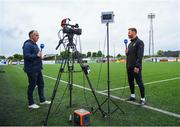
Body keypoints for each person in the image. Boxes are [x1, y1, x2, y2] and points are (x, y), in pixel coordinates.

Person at [23, 30, 50, 109]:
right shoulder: (27, 44)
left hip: (37, 69)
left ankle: (42, 100)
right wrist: (37, 55)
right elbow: (26, 56)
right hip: (31, 69)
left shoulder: (35, 45)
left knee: (41, 84)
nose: (38, 37)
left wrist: (41, 56)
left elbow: (37, 56)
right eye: (36, 35)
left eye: (38, 35)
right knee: (32, 86)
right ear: (31, 36)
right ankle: (31, 103)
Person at [125, 28, 145, 105]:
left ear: (134, 32)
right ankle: (132, 96)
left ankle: (143, 99)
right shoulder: (129, 44)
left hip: (136, 67)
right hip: (129, 67)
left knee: (139, 82)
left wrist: (137, 66)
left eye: (129, 32)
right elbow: (129, 55)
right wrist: (127, 53)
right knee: (130, 82)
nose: (128, 34)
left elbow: (140, 55)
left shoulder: (139, 42)